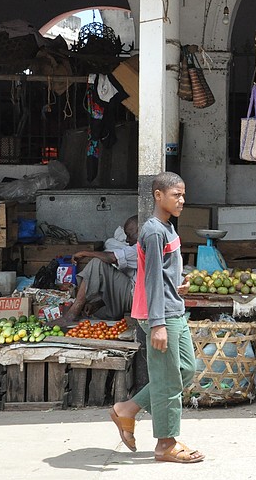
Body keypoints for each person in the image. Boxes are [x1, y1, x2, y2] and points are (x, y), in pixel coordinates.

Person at [109, 172, 204, 464]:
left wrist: (178, 282)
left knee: (186, 369)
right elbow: (150, 280)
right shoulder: (152, 231)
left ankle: (127, 409)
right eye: (176, 195)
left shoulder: (168, 228)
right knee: (167, 381)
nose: (182, 200)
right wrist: (159, 325)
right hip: (158, 315)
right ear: (158, 196)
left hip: (172, 306)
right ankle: (165, 443)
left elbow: (162, 274)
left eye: (183, 194)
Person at [60, 215, 139, 324]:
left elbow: (112, 258)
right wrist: (98, 303)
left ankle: (71, 315)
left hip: (138, 298)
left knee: (97, 264)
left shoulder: (142, 247)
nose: (127, 239)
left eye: (129, 235)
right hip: (135, 294)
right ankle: (100, 307)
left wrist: (85, 253)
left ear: (140, 231)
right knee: (95, 310)